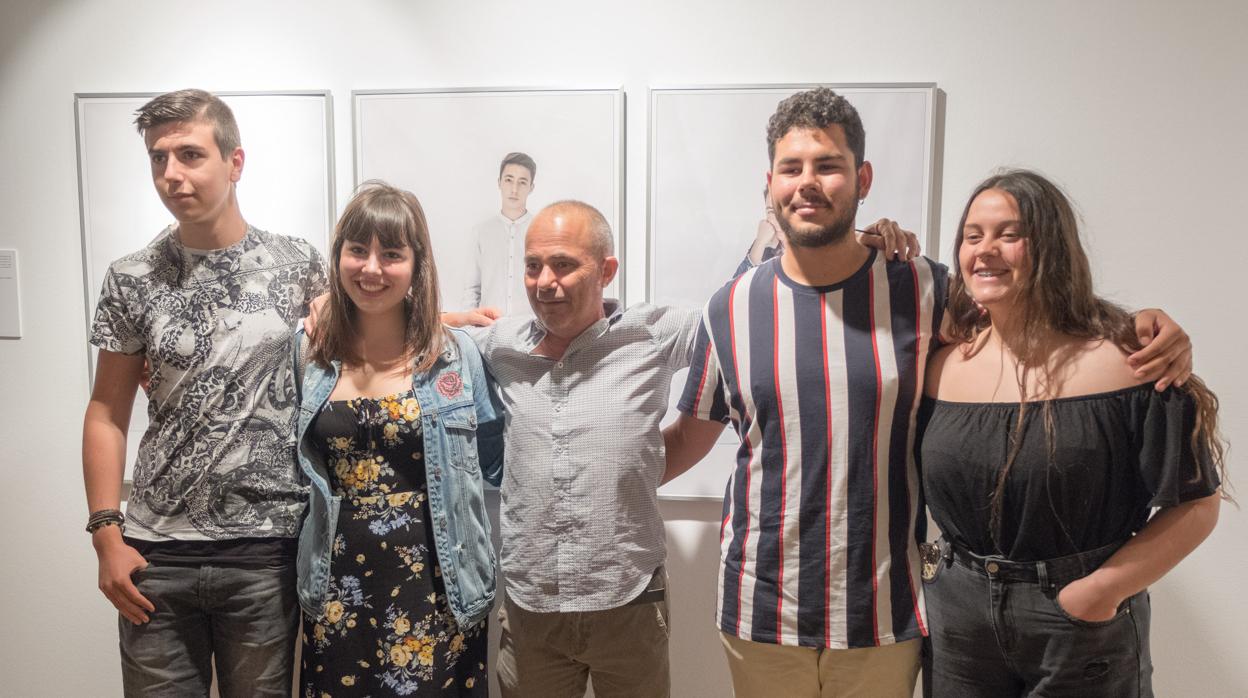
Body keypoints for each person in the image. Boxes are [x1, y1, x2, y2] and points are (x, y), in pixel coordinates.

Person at [660, 88, 1194, 698]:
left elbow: (1033, 315)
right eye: (792, 167)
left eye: (828, 165)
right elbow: (686, 439)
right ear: (770, 183)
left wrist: (1139, 325)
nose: (808, 182)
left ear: (862, 178)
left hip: (888, 612)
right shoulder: (729, 308)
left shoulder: (925, 288)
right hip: (760, 610)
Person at [917, 169, 1226, 696]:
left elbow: (1197, 505)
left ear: (1052, 248)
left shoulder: (1129, 362)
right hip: (957, 620)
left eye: (1009, 234)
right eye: (973, 235)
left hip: (1078, 625)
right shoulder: (938, 368)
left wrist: (1100, 592)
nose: (985, 250)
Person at [81, 88, 327, 696]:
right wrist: (106, 535)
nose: (171, 174)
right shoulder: (132, 277)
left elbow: (366, 334)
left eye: (190, 154)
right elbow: (107, 411)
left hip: (265, 550)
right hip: (156, 556)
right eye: (158, 158)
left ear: (234, 162)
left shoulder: (298, 265)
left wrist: (443, 321)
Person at [294, 181, 503, 695]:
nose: (371, 268)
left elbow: (495, 462)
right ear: (338, 255)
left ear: (416, 265)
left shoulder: (457, 356)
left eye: (391, 254)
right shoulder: (308, 357)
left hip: (440, 587)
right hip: (336, 586)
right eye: (357, 250)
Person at [460, 152, 537, 316]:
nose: (514, 189)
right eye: (509, 180)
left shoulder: (540, 231)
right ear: (499, 183)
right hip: (489, 330)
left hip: (531, 331)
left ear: (531, 188)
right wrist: (469, 330)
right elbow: (472, 290)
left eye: (522, 182)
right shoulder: (481, 232)